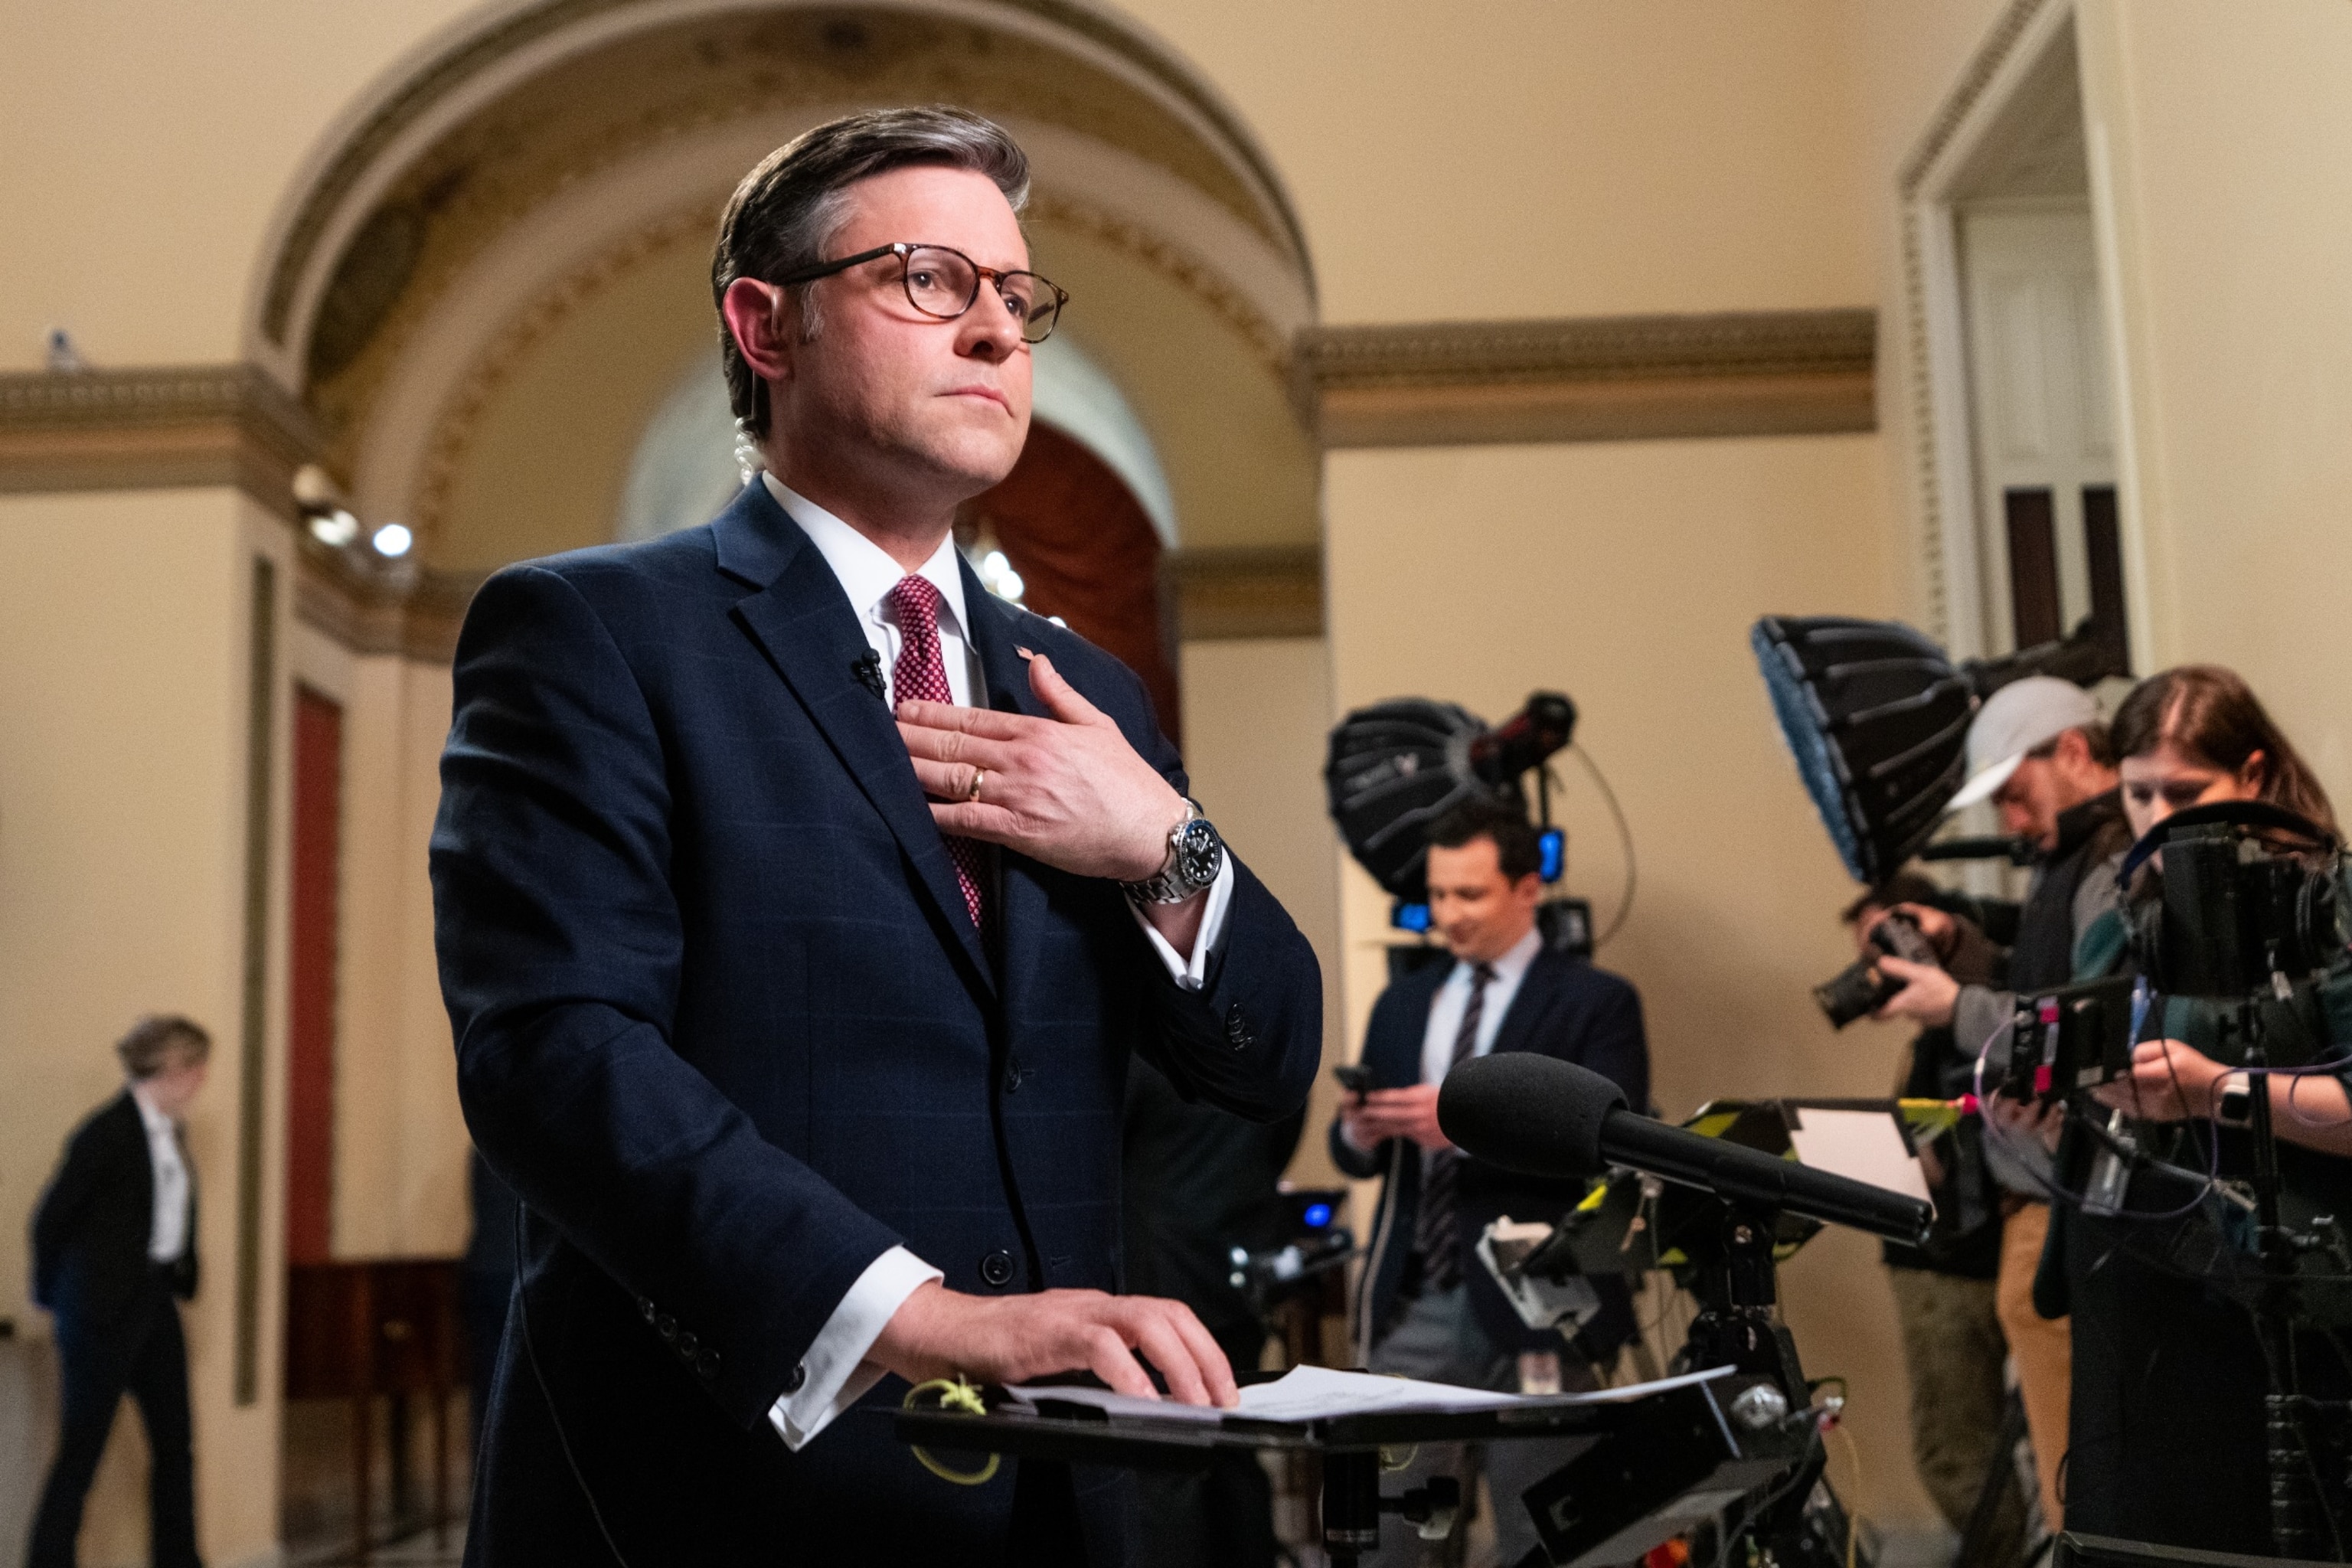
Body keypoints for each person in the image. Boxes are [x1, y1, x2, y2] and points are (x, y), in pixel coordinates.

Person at [430, 106, 1321, 1566]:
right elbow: (556, 1054)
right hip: (721, 1485)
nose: (993, 330)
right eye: (928, 278)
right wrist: (915, 1315)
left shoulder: (1082, 687)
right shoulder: (594, 630)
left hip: (1055, 1492)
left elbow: (1263, 1056)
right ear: (762, 326)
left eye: (1014, 295)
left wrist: (1162, 837)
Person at [2042, 665, 2352, 1549]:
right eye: (2138, 791)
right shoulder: (2120, 923)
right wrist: (2046, 1101)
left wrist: (2216, 1088)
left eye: (2186, 790)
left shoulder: (2321, 911)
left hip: (2279, 1309)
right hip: (2130, 1304)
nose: (2159, 815)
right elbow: (2095, 1084)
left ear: (2253, 776)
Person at [1330, 799, 1648, 1566]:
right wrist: (1360, 1129)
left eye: (1470, 894)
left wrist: (1463, 1131)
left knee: (1545, 1539)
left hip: (1539, 1302)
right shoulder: (1404, 999)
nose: (1450, 914)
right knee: (1395, 1543)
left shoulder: (1595, 1000)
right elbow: (1354, 1158)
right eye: (1438, 894)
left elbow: (1609, 1150)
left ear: (1528, 889)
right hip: (1416, 1303)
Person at [1873, 675, 2125, 1530]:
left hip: (2072, 1194)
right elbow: (2046, 982)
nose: (2013, 822)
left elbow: (2088, 1017)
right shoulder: (2071, 862)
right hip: (2049, 1185)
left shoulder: (2109, 859)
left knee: (2082, 1487)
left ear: (2078, 751)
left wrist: (1956, 1006)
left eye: (2017, 795)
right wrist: (1962, 943)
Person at [1843, 874, 2023, 1559]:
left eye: (1885, 948)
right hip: (1956, 1254)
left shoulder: (1976, 1028)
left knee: (1953, 1450)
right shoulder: (1939, 1041)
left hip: (1953, 1259)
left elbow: (1946, 1162)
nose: (1873, 975)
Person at [26, 1015, 211, 1568]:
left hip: (156, 1303)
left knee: (175, 1450)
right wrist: (54, 1298)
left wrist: (182, 1272)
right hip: (100, 1314)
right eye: (197, 1067)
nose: (202, 1080)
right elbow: (50, 1219)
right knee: (82, 1454)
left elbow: (168, 1212)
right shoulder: (106, 1132)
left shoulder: (172, 1131)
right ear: (172, 1068)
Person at [1119, 1057, 1302, 1568]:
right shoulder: (1261, 1043)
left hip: (1158, 1272)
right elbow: (1282, 1138)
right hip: (1237, 1270)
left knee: (1164, 1466)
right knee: (1235, 1455)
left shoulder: (1141, 1050)